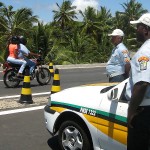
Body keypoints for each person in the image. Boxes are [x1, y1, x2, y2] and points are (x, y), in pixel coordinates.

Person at [125, 13, 150, 150]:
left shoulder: (144, 52)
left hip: (144, 113)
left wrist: (131, 112)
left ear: (146, 29)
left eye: (138, 27)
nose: (136, 30)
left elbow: (142, 84)